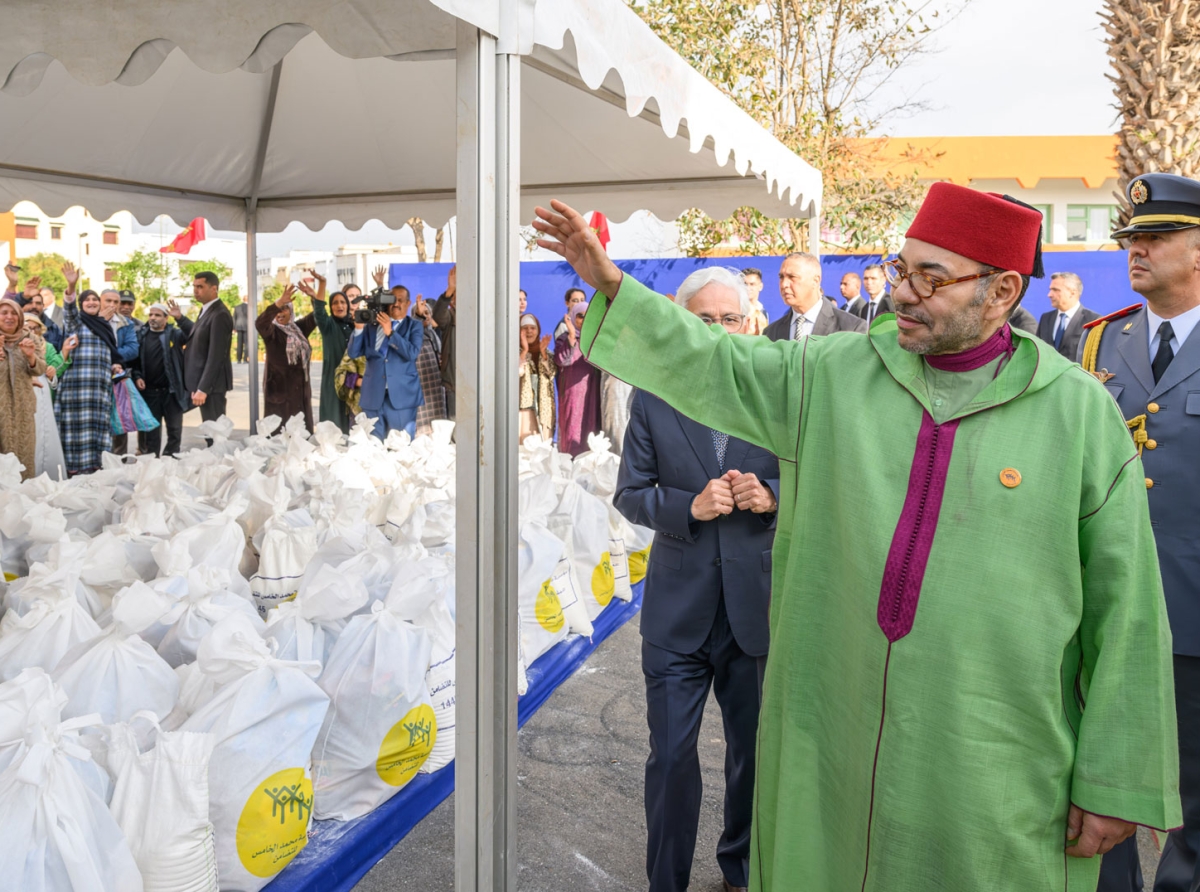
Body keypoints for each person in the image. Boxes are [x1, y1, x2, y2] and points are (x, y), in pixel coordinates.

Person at [533, 190, 1180, 892]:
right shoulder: (833, 375)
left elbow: (1128, 612)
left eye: (931, 278)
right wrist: (608, 283)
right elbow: (716, 365)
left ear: (1002, 291)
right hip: (835, 748)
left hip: (993, 761)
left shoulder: (1077, 413)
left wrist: (1114, 777)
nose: (902, 293)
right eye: (900, 269)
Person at [614, 266, 779, 892]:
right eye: (703, 319)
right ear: (683, 322)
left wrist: (772, 496)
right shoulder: (654, 395)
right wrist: (686, 506)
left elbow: (817, 474)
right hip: (677, 614)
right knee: (674, 759)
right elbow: (630, 494)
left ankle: (739, 868)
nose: (716, 330)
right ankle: (668, 880)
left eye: (729, 319)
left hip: (754, 609)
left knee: (752, 756)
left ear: (748, 323)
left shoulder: (773, 390)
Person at [1083, 172, 1200, 892]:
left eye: (1157, 237)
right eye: (1132, 238)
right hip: (1110, 604)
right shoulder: (1101, 341)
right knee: (1102, 776)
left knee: (1193, 792)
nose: (1138, 249)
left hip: (1194, 613)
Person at [56, 265, 121, 476]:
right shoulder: (76, 323)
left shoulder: (105, 325)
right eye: (87, 300)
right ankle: (74, 471)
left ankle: (97, 471)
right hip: (76, 390)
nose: (92, 302)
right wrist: (72, 285)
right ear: (82, 305)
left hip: (98, 391)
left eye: (95, 299)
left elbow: (108, 352)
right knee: (76, 432)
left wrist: (114, 363)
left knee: (97, 430)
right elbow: (69, 309)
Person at [348, 267, 424, 439]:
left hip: (402, 398)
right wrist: (359, 329)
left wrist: (391, 333)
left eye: (400, 300)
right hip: (373, 397)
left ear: (408, 303)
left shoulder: (414, 326)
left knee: (401, 449)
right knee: (373, 448)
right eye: (392, 300)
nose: (396, 304)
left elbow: (412, 354)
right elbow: (353, 353)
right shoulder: (372, 326)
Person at [131, 301, 193, 457]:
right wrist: (137, 376)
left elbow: (193, 332)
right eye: (151, 314)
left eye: (157, 315)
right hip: (150, 393)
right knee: (151, 434)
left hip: (172, 393)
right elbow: (134, 361)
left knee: (175, 431)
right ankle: (153, 464)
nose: (153, 318)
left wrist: (180, 317)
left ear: (166, 318)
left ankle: (170, 461)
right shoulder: (141, 335)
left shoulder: (174, 334)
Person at [762, 254, 866, 341]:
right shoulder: (771, 333)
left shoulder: (851, 328)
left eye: (792, 277)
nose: (784, 284)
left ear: (815, 281)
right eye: (781, 277)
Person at [257, 283, 316, 434]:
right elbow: (260, 323)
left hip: (300, 394)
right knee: (279, 439)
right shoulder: (272, 332)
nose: (280, 313)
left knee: (302, 438)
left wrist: (313, 296)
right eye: (278, 310)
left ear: (291, 311)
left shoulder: (299, 329)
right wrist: (278, 303)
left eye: (284, 309)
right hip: (279, 394)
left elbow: (317, 316)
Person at [301, 271, 354, 433]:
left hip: (353, 378)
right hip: (333, 377)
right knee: (333, 417)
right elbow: (319, 310)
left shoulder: (356, 325)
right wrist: (322, 283)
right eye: (335, 303)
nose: (340, 306)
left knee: (351, 415)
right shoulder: (328, 325)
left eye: (343, 302)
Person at [0, 298, 47, 481]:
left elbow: (41, 368)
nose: (9, 317)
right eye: (4, 313)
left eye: (13, 313)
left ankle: (22, 497)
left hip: (22, 406)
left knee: (23, 452)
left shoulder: (30, 338)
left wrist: (30, 357)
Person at [182, 270, 234, 424]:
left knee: (215, 435)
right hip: (203, 384)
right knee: (210, 433)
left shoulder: (220, 314)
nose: (196, 291)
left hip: (212, 386)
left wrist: (203, 388)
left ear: (214, 289)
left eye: (200, 287)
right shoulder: (206, 310)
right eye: (194, 287)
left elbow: (216, 356)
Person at [22, 312, 67, 478]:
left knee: (45, 429)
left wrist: (52, 374)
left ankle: (47, 474)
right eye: (27, 327)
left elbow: (54, 373)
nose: (31, 331)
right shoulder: (14, 344)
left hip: (42, 390)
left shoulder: (46, 347)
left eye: (35, 327)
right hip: (23, 390)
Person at [554, 301, 602, 456]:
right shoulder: (565, 338)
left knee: (592, 428)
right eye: (580, 316)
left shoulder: (596, 338)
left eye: (588, 316)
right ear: (574, 317)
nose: (584, 319)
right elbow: (562, 360)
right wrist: (572, 338)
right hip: (573, 391)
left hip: (593, 391)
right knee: (573, 429)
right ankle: (571, 466)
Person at [1035, 272, 1098, 359]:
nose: (1049, 295)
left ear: (1072, 293)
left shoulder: (1093, 321)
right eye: (1050, 290)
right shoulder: (1046, 319)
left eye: (1056, 290)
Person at [413, 292, 447, 437]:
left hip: (436, 385)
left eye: (428, 313)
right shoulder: (412, 332)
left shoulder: (433, 334)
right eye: (421, 313)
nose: (426, 316)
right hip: (420, 384)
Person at [518, 313, 556, 442]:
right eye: (525, 328)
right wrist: (524, 351)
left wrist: (544, 353)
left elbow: (551, 373)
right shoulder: (513, 351)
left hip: (543, 404)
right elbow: (516, 373)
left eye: (532, 328)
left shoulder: (546, 352)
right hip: (523, 405)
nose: (529, 331)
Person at [431, 266, 457, 419]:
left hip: (480, 383)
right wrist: (449, 291)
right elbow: (438, 315)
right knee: (457, 433)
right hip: (455, 384)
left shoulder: (483, 319)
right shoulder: (450, 317)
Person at [740, 268, 770, 335]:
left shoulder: (763, 312)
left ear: (760, 286)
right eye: (745, 284)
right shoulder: (736, 310)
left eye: (752, 284)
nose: (748, 288)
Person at [233, 294, 249, 363]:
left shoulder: (237, 307)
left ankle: (238, 359)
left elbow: (234, 318)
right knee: (247, 344)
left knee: (239, 344)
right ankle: (245, 359)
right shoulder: (250, 307)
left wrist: (234, 327)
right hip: (247, 326)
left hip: (238, 326)